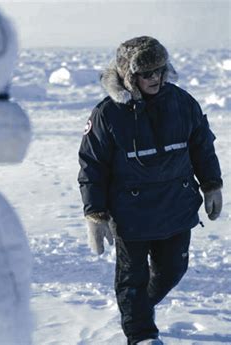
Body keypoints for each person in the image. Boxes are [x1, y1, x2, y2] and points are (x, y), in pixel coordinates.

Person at [78, 36, 222, 345]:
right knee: (133, 279)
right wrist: (95, 214)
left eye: (159, 70)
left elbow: (202, 147)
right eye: (146, 73)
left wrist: (212, 185)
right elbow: (92, 166)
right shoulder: (107, 114)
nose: (155, 78)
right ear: (130, 76)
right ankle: (141, 334)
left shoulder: (183, 103)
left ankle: (138, 309)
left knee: (173, 269)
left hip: (176, 206)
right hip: (131, 214)